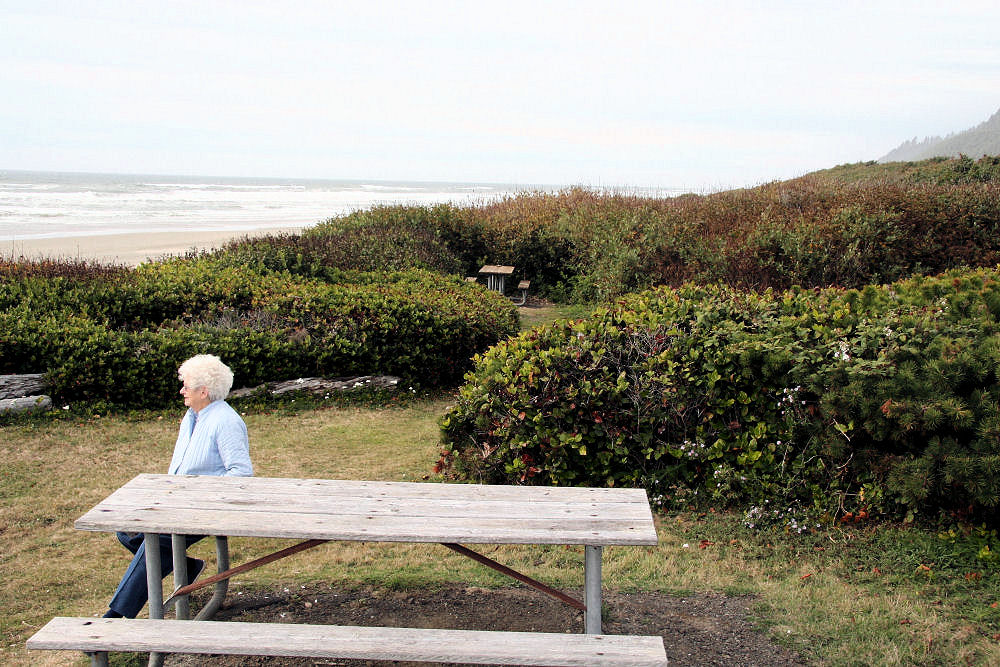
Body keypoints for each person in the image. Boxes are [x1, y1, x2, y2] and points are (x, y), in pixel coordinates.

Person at [103, 354, 252, 618]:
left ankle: (117, 614)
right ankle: (184, 566)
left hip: (206, 509)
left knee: (157, 541)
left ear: (203, 392)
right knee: (126, 530)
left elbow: (241, 474)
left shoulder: (226, 422)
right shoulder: (192, 416)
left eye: (186, 386)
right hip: (178, 503)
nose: (182, 390)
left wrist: (202, 496)